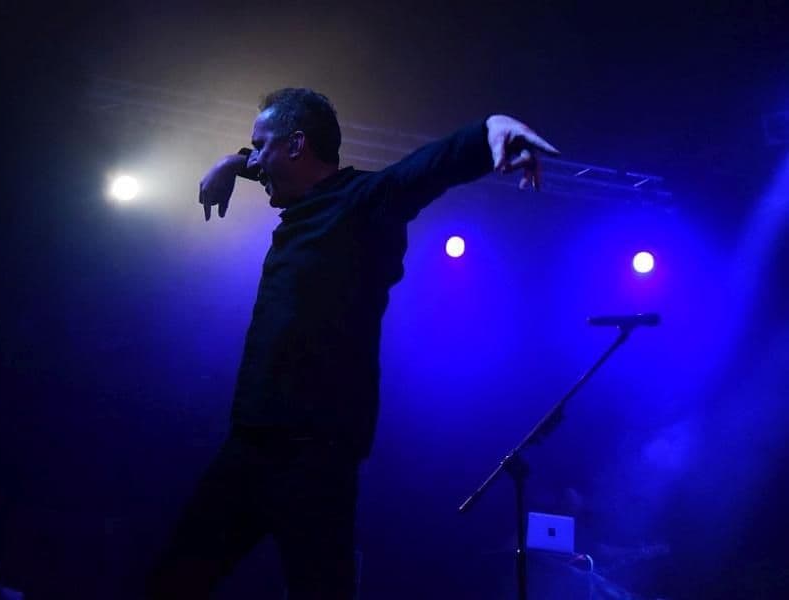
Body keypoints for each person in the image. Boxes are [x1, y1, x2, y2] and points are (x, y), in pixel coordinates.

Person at [147, 88, 558, 599]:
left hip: (314, 458)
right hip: (251, 444)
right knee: (171, 583)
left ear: (297, 145)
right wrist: (230, 164)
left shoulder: (361, 203)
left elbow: (418, 173)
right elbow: (257, 162)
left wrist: (488, 132)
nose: (256, 158)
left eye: (261, 145)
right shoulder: (306, 202)